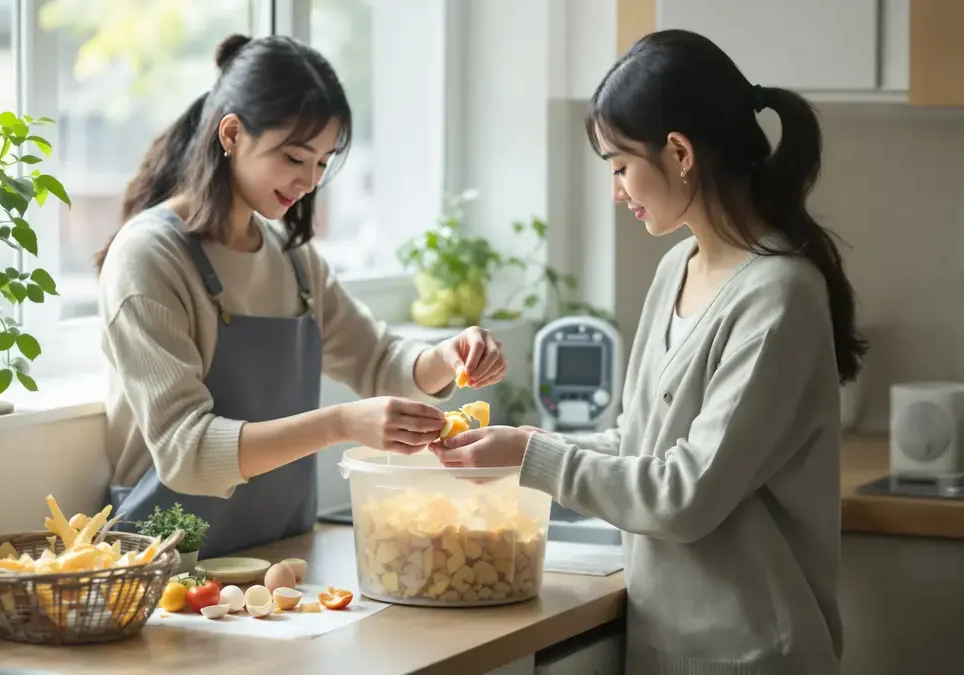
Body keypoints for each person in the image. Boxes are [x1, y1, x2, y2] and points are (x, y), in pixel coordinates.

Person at [429, 30, 866, 675]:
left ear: (680, 152)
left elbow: (683, 494)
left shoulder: (779, 298)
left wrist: (533, 458)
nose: (616, 191)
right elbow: (643, 444)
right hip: (666, 640)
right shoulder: (676, 268)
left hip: (751, 656)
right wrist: (523, 443)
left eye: (618, 166)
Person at [97, 33, 507, 559]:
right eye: (294, 157)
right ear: (232, 134)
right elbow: (187, 452)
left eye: (322, 162)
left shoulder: (293, 259)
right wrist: (340, 424)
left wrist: (449, 357)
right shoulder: (149, 257)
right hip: (167, 573)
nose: (309, 182)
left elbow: (380, 361)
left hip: (279, 560)